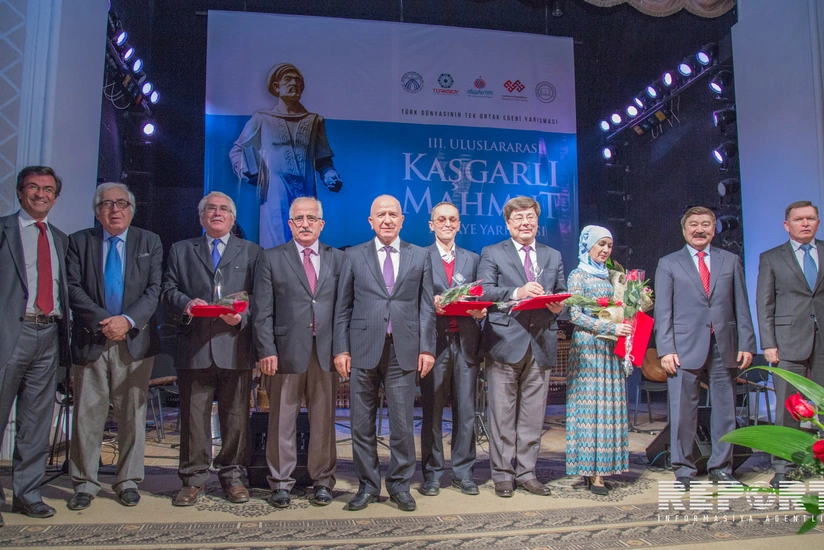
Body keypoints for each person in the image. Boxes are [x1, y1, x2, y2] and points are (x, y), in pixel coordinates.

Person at [333, 195, 436, 512]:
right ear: (371, 221)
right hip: (362, 348)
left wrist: (427, 348)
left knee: (403, 426)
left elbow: (426, 308)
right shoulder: (353, 255)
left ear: (403, 220)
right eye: (381, 214)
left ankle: (400, 486)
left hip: (402, 350)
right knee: (361, 424)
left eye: (393, 214)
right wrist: (341, 349)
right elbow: (342, 308)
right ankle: (366, 485)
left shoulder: (419, 256)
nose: (387, 219)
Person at [65, 183, 163, 510]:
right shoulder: (79, 242)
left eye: (122, 203)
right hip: (91, 338)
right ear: (97, 211)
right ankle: (85, 482)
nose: (115, 209)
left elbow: (155, 289)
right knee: (87, 416)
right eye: (107, 204)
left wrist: (127, 321)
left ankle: (128, 481)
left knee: (132, 416)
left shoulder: (149, 242)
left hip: (134, 341)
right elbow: (73, 289)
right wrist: (107, 320)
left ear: (131, 209)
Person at [162, 191, 261, 506]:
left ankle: (233, 477)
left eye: (223, 209)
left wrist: (241, 316)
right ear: (201, 216)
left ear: (233, 218)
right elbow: (167, 289)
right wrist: (186, 303)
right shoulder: (181, 250)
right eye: (210, 208)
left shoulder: (253, 252)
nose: (217, 213)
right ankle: (193, 480)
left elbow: (262, 296)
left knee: (235, 419)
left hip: (235, 347)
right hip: (194, 346)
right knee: (194, 418)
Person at [253, 196, 344, 508]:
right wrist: (266, 348)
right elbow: (262, 311)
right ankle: (280, 482)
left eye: (311, 218)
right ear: (289, 224)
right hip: (284, 352)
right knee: (281, 420)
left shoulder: (338, 259)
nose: (305, 224)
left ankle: (322, 480)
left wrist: (342, 349)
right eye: (298, 219)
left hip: (326, 352)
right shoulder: (271, 258)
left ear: (321, 224)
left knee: (323, 421)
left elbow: (343, 310)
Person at [655, 206, 755, 489]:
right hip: (684, 347)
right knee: (683, 411)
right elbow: (663, 311)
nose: (700, 229)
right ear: (684, 230)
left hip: (725, 345)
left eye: (706, 224)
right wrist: (666, 348)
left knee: (725, 410)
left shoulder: (730, 260)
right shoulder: (669, 263)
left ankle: (722, 468)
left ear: (714, 229)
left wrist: (747, 342)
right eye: (694, 225)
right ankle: (684, 470)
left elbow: (741, 306)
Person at [476, 196, 566, 498]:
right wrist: (518, 291)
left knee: (532, 417)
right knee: (501, 415)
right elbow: (485, 291)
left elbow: (563, 294)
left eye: (530, 217)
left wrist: (557, 307)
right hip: (504, 342)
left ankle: (527, 472)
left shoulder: (552, 255)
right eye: (518, 218)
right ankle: (502, 474)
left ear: (537, 221)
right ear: (508, 223)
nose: (525, 223)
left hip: (541, 343)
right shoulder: (492, 253)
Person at [0, 166, 70, 523]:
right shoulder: (3, 229)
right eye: (33, 187)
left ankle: (27, 494)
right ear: (19, 192)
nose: (40, 194)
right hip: (10, 334)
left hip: (48, 335)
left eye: (47, 189)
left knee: (35, 422)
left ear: (56, 197)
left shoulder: (59, 237)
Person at [230, 63, 342, 249]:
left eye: (298, 80)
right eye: (288, 79)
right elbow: (237, 149)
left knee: (305, 243)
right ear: (276, 87)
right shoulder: (262, 118)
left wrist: (330, 175)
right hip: (275, 192)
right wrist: (245, 169)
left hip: (306, 191)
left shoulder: (314, 121)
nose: (294, 83)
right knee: (276, 245)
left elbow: (323, 160)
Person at [756, 200, 824, 488]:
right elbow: (764, 303)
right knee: (788, 407)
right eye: (799, 219)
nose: (805, 223)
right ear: (787, 225)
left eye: (810, 218)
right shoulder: (772, 257)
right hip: (787, 342)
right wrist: (768, 343)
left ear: (817, 222)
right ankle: (784, 466)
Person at [420, 202, 486, 498]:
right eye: (441, 219)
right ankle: (432, 473)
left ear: (459, 225)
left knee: (466, 411)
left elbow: (483, 295)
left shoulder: (473, 259)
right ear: (431, 225)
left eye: (453, 219)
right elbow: (412, 299)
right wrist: (430, 304)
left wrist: (480, 310)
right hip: (434, 343)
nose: (447, 223)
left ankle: (463, 473)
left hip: (467, 342)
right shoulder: (421, 257)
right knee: (432, 411)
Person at [564, 226, 632, 496]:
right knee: (589, 410)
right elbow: (575, 316)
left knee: (609, 408)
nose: (605, 250)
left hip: (611, 350)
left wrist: (626, 324)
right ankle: (590, 472)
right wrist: (609, 329)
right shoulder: (578, 275)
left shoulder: (615, 277)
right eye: (600, 244)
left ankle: (603, 469)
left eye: (609, 246)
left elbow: (623, 310)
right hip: (588, 348)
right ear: (587, 246)